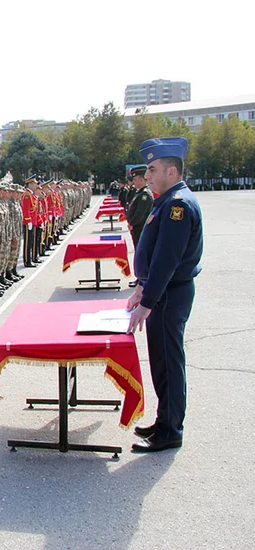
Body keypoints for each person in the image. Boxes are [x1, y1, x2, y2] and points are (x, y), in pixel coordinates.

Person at [127, 137, 203, 453]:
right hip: (163, 292)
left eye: (153, 168)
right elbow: (157, 254)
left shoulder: (177, 206)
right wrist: (143, 288)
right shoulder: (167, 200)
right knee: (162, 362)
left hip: (169, 295)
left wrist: (147, 302)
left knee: (169, 363)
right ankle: (165, 420)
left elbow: (166, 260)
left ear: (171, 171)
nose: (149, 174)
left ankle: (171, 430)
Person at [125, 165, 154, 288]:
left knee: (142, 254)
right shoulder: (140, 193)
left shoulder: (145, 194)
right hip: (137, 228)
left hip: (140, 228)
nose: (134, 182)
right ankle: (140, 278)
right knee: (139, 252)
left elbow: (140, 213)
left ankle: (142, 278)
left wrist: (132, 223)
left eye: (136, 180)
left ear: (142, 180)